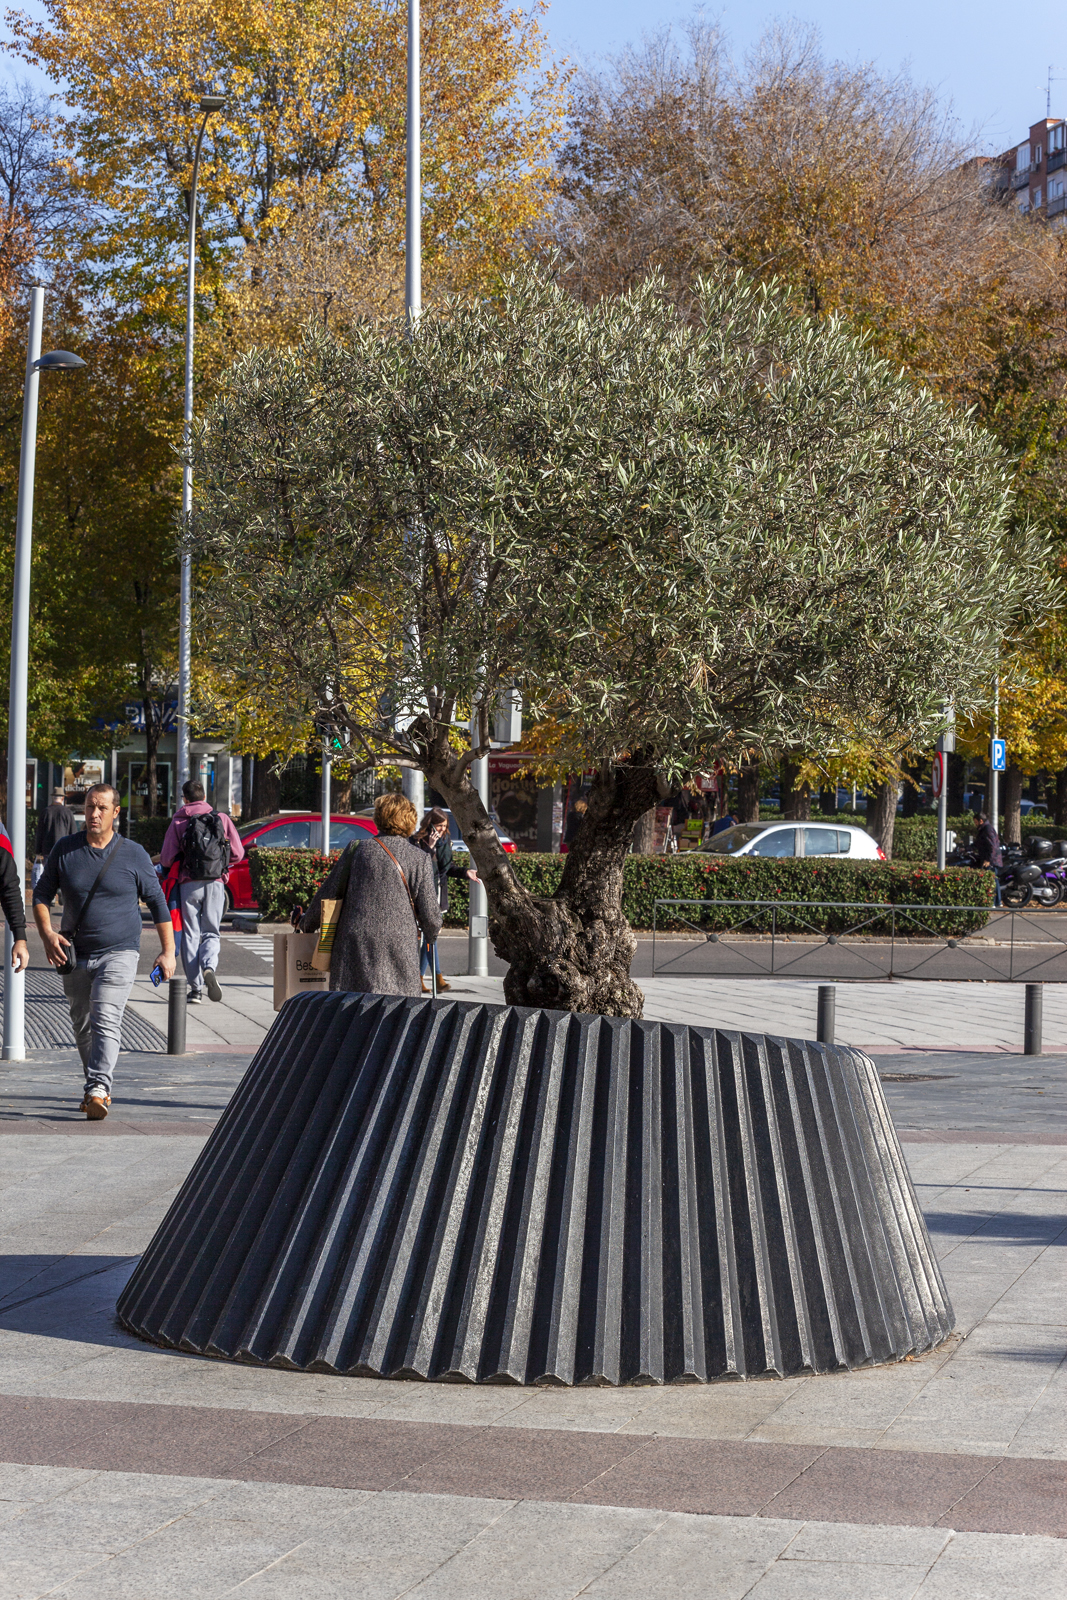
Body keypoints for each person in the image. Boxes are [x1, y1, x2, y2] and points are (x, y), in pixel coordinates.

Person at [33, 783, 174, 1120]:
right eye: (89, 807)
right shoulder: (66, 850)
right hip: (75, 953)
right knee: (82, 1025)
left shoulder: (134, 854)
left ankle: (98, 1088)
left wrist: (169, 952)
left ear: (116, 812)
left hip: (120, 951)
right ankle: (94, 1087)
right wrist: (47, 935)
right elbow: (40, 896)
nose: (93, 814)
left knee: (105, 1015)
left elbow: (157, 903)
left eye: (101, 808)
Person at [298, 792, 441, 997]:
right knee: (397, 1010)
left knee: (352, 1007)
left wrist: (306, 923)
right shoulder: (419, 859)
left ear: (379, 818)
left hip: (354, 944)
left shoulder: (357, 849)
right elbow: (431, 918)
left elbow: (328, 893)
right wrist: (431, 933)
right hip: (399, 945)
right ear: (410, 821)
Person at [160, 779, 245, 1004]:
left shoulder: (179, 820)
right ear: (205, 797)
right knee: (211, 932)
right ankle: (209, 966)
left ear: (184, 799)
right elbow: (238, 853)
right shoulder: (221, 818)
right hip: (216, 882)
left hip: (188, 883)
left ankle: (195, 989)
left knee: (190, 934)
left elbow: (167, 858)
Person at [413, 807, 479, 994]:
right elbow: (419, 867)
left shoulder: (445, 841)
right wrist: (429, 848)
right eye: (438, 825)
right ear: (430, 824)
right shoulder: (417, 841)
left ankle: (424, 978)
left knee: (429, 936)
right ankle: (437, 978)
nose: (441, 829)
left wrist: (465, 872)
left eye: (444, 826)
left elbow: (447, 868)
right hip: (422, 896)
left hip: (438, 895)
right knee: (429, 936)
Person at [33, 787, 76, 893]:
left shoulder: (46, 812)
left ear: (53, 798)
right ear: (62, 798)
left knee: (49, 873)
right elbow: (73, 832)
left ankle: (50, 895)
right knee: (62, 872)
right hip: (64, 848)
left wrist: (38, 851)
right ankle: (61, 892)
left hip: (47, 849)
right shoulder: (68, 812)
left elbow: (40, 833)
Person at [973, 810, 1003, 907]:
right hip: (991, 859)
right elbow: (978, 844)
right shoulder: (984, 829)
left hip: (991, 861)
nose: (975, 824)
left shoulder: (987, 829)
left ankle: (993, 902)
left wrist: (988, 860)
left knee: (991, 880)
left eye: (975, 822)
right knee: (994, 880)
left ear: (981, 821)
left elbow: (993, 846)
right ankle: (997, 902)